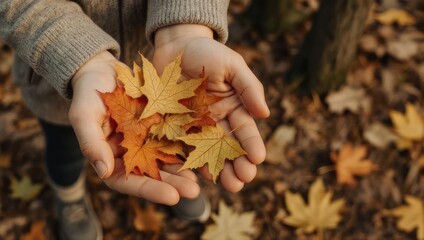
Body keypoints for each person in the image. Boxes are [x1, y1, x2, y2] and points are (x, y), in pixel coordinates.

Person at [0, 1, 270, 239]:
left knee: (169, 149)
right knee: (65, 151)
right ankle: (69, 196)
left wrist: (186, 25)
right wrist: (83, 61)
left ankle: (175, 171)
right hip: (57, 78)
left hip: (154, 55)